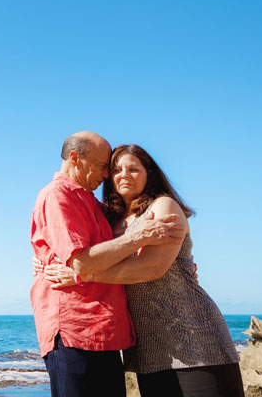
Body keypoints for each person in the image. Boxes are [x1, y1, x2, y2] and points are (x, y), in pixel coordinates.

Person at [40, 144, 243, 397]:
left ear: (149, 173)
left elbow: (151, 267)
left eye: (133, 169)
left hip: (193, 337)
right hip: (147, 350)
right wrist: (47, 261)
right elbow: (79, 248)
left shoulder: (163, 206)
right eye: (115, 170)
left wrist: (81, 274)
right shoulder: (108, 220)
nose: (123, 175)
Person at [31, 132, 187, 397]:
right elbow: (82, 262)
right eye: (104, 166)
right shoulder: (57, 196)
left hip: (103, 333)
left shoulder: (92, 203)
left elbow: (105, 254)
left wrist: (183, 265)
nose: (107, 175)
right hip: (75, 331)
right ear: (75, 159)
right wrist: (139, 236)